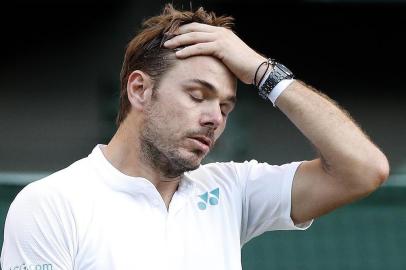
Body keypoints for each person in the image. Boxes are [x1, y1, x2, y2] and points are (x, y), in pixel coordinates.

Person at [1, 4, 389, 270]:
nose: (214, 118)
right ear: (139, 90)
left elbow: (363, 169)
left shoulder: (232, 189)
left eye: (225, 107)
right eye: (197, 95)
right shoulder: (50, 204)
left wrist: (263, 72)